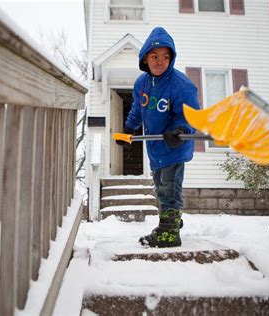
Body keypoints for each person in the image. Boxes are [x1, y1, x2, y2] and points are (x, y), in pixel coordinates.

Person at [116, 27, 200, 248]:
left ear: (171, 58)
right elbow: (138, 109)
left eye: (165, 57)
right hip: (155, 148)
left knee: (169, 189)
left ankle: (169, 234)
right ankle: (172, 221)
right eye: (154, 57)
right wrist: (128, 127)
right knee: (160, 187)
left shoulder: (182, 85)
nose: (160, 61)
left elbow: (190, 116)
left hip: (174, 147)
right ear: (145, 58)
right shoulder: (141, 84)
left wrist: (181, 132)